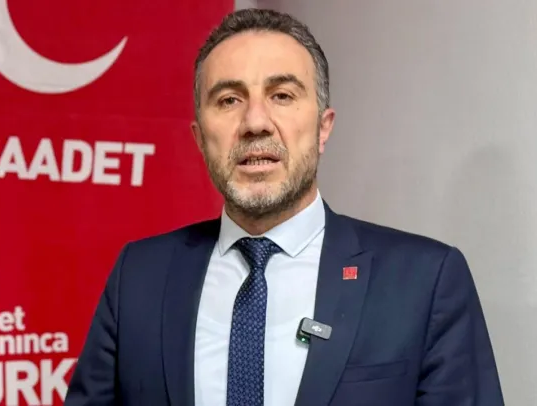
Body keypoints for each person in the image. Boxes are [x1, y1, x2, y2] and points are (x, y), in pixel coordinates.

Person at [63, 8, 504, 406]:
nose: (255, 122)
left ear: (323, 128)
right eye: (229, 100)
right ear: (199, 138)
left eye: (282, 95)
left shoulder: (425, 282)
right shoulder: (139, 276)